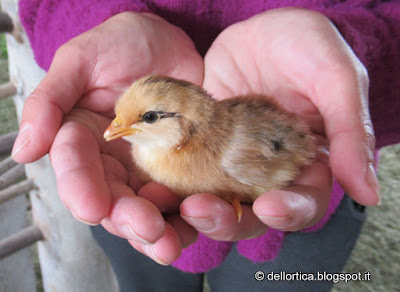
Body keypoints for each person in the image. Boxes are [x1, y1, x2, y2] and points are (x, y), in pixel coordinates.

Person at [13, 1, 400, 291]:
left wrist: (351, 54)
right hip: (148, 224)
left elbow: (291, 148)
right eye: (121, 116)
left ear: (186, 124)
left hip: (300, 218)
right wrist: (91, 19)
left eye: (145, 118)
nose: (116, 127)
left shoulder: (235, 150)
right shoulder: (149, 146)